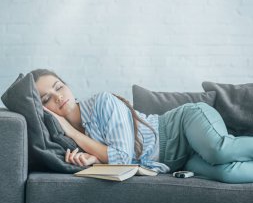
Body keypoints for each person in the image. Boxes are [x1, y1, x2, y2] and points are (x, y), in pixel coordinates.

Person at [32, 68, 253, 183]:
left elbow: (122, 156)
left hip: (184, 125)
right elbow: (119, 165)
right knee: (228, 175)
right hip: (180, 161)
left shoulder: (103, 102)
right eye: (46, 99)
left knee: (220, 151)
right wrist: (96, 159)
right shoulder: (65, 140)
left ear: (68, 86)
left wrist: (71, 131)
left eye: (58, 87)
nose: (57, 97)